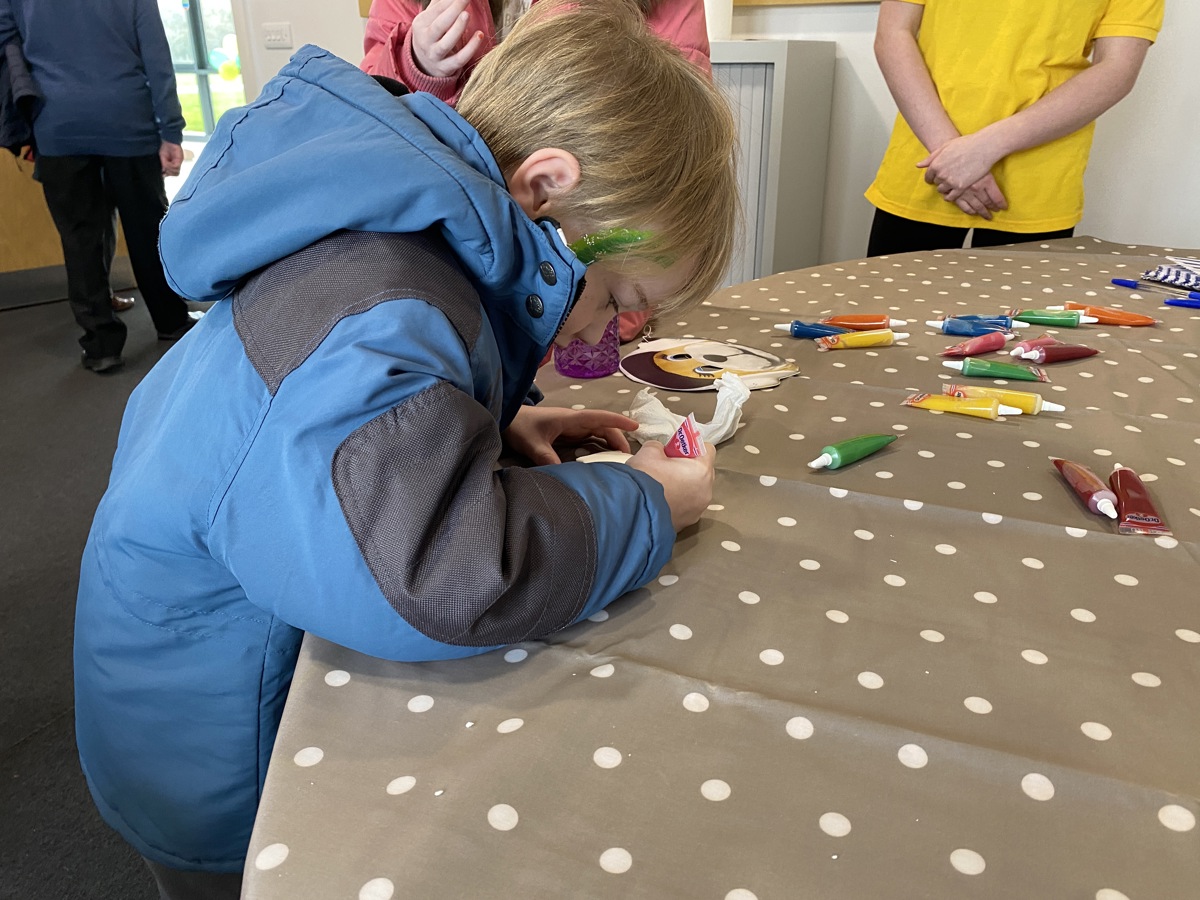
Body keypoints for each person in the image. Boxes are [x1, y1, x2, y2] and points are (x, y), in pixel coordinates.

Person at [73, 1, 737, 896]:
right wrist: (650, 505)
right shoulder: (383, 310)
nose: (614, 329)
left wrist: (494, 428)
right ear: (543, 188)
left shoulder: (391, 237)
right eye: (618, 292)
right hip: (219, 742)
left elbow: (339, 432)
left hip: (196, 658)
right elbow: (444, 573)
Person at [362, 0, 712, 343]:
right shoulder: (411, 328)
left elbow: (674, 177)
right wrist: (415, 66)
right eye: (611, 303)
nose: (594, 340)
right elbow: (376, 112)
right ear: (543, 187)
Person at [864, 0, 1163, 257]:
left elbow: (1117, 70)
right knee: (887, 318)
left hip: (1035, 181)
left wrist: (983, 149)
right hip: (929, 165)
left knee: (1019, 322)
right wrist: (950, 152)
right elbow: (893, 34)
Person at [0, 0, 199, 374]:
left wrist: (23, 115)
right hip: (127, 120)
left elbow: (7, 44)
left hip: (57, 123)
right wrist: (170, 130)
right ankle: (171, 322)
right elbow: (156, 55)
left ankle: (101, 345)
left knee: (79, 237)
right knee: (146, 228)